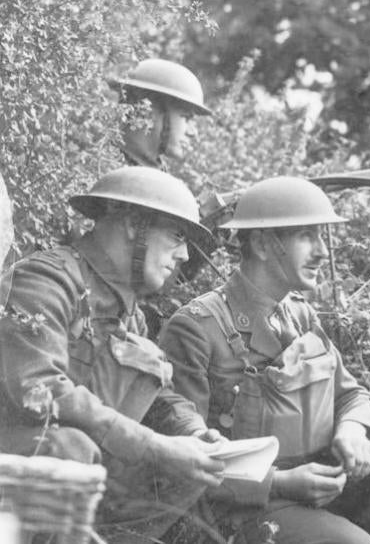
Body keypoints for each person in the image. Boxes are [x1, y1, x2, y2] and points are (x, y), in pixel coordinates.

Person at [158, 176, 370, 544]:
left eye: (321, 236)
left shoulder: (300, 315)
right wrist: (281, 483)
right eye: (306, 236)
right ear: (261, 243)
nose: (321, 251)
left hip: (312, 478)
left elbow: (351, 395)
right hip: (246, 506)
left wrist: (351, 430)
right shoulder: (196, 327)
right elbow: (185, 459)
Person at [0, 166, 227, 544]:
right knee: (69, 447)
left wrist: (193, 433)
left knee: (191, 470)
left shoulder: (128, 310)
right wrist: (154, 446)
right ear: (132, 224)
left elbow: (158, 394)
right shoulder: (45, 280)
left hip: (69, 473)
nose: (185, 254)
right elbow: (38, 393)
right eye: (175, 236)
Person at [110, 58, 212, 170]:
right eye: (186, 118)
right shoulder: (103, 163)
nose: (193, 132)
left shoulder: (156, 175)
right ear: (147, 109)